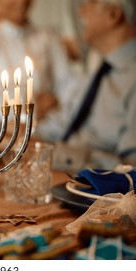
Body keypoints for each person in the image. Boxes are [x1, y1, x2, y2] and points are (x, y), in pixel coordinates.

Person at [35, 0, 136, 170]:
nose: (81, 11)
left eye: (90, 2)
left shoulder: (131, 78)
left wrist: (57, 153)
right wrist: (26, 135)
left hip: (94, 190)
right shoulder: (97, 72)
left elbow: (130, 167)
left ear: (113, 14)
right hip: (59, 173)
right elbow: (67, 122)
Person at [0, 0, 72, 120]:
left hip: (48, 127)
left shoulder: (48, 38)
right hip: (3, 132)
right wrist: (4, 127)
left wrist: (56, 102)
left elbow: (67, 84)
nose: (21, 2)